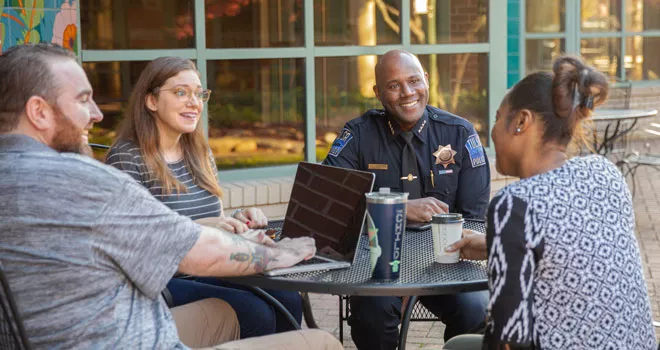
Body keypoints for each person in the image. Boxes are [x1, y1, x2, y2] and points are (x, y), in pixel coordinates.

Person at [0, 42, 342, 350]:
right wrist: (281, 254)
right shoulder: (89, 180)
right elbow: (194, 253)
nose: (97, 114)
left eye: (198, 93)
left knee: (272, 303)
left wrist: (232, 225)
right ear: (39, 112)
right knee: (321, 341)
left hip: (101, 325)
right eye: (82, 99)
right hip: (148, 318)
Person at [446, 55, 656, 349]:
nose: (491, 133)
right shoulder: (605, 172)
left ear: (521, 121)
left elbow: (509, 338)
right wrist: (494, 243)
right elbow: (572, 246)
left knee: (457, 346)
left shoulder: (514, 204)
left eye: (497, 119)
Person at [104, 56, 303, 339]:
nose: (194, 102)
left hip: (210, 265)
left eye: (199, 93)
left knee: (289, 300)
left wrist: (236, 220)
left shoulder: (198, 153)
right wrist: (199, 229)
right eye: (180, 92)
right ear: (151, 101)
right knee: (254, 312)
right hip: (163, 281)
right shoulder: (127, 158)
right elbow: (129, 244)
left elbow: (213, 219)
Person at [323, 49, 490, 350]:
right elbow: (330, 201)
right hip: (377, 265)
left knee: (477, 308)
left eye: (414, 81)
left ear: (426, 80)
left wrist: (420, 273)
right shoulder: (358, 135)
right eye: (394, 85)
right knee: (371, 313)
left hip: (446, 261)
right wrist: (398, 208)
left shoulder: (460, 133)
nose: (407, 93)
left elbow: (475, 217)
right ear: (377, 92)